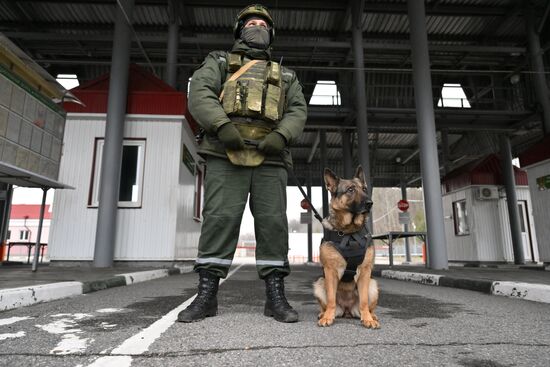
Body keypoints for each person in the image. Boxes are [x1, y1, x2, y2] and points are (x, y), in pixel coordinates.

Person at [177, 4, 307, 323]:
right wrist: (222, 126)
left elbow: (297, 111)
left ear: (271, 32)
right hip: (225, 153)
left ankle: (275, 297)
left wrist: (282, 136)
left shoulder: (286, 75)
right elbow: (200, 94)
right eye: (251, 23)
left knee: (273, 224)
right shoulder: (219, 62)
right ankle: (206, 295)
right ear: (240, 30)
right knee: (219, 220)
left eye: (263, 23)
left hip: (271, 157)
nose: (258, 26)